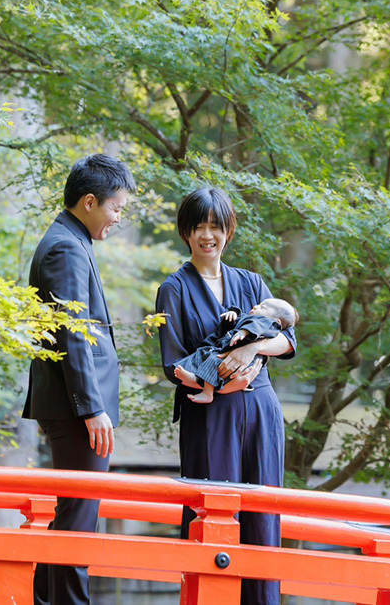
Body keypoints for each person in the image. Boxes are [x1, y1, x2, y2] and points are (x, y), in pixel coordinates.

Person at [155, 186, 296, 605]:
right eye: (198, 226)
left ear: (228, 231)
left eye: (215, 226)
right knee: (213, 514)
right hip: (210, 413)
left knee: (262, 519)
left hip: (260, 410)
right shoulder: (174, 288)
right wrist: (217, 381)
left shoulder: (251, 282)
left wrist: (251, 350)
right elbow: (172, 363)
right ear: (186, 231)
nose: (207, 235)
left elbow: (288, 341)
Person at [23, 153, 135, 605]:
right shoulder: (66, 247)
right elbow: (72, 333)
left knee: (72, 514)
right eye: (116, 208)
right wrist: (91, 408)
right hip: (76, 410)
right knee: (78, 519)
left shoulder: (70, 239)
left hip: (73, 407)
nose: (118, 218)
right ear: (90, 201)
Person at [176, 297, 298, 404]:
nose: (255, 306)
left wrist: (244, 332)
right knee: (208, 356)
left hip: (245, 364)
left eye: (263, 307)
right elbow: (237, 321)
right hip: (227, 353)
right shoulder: (249, 318)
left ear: (277, 321)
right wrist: (232, 314)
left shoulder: (269, 325)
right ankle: (197, 378)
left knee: (214, 361)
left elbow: (256, 327)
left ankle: (206, 391)